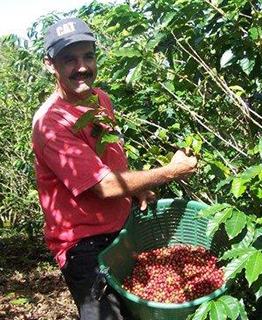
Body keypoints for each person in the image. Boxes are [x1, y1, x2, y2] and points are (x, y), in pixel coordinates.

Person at [31, 17, 198, 320]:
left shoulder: (101, 100)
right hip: (83, 246)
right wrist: (171, 171)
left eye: (88, 56)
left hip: (122, 232)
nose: (81, 66)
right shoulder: (51, 123)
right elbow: (105, 185)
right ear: (49, 64)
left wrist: (137, 189)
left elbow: (110, 162)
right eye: (69, 59)